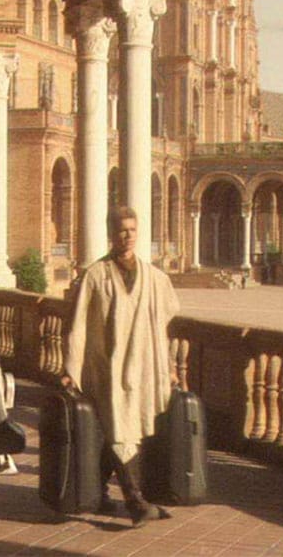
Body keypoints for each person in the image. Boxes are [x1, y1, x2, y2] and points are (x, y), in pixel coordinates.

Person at [62, 207, 180, 527]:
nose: (127, 236)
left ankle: (100, 494)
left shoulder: (154, 278)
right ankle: (135, 500)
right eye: (121, 230)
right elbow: (78, 325)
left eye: (132, 230)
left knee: (126, 427)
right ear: (111, 233)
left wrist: (168, 365)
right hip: (105, 367)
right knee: (117, 428)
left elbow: (163, 325)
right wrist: (71, 367)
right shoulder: (95, 275)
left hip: (142, 365)